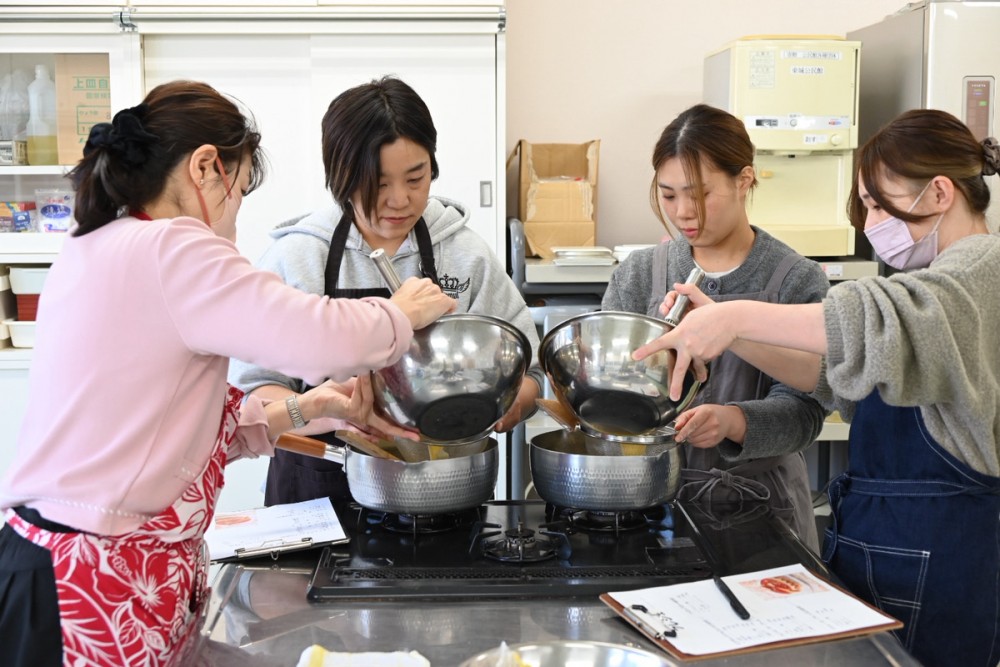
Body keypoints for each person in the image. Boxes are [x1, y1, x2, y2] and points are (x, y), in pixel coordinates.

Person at [0, 80, 455, 667]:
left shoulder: (102, 245)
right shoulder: (171, 248)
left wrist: (314, 406)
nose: (237, 209)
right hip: (90, 577)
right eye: (239, 189)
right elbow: (314, 336)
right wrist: (401, 312)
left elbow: (182, 431)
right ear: (205, 168)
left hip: (86, 565)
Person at [633, 108, 1000, 667]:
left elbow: (871, 316)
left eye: (877, 205)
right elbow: (833, 377)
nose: (871, 223)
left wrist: (733, 319)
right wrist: (731, 328)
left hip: (942, 553)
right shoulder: (937, 277)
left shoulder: (979, 267)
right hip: (887, 546)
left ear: (940, 192)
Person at [229, 75, 543, 506]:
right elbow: (251, 390)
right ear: (340, 178)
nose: (400, 200)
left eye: (416, 179)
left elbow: (530, 371)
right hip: (315, 488)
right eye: (378, 184)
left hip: (442, 490)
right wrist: (322, 410)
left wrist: (505, 405)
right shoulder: (298, 257)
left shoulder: (464, 254)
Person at [603, 104, 830, 551]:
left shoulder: (795, 280)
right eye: (669, 196)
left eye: (701, 194)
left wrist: (735, 421)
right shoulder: (640, 274)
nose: (684, 212)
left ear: (744, 180)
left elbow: (809, 410)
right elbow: (609, 388)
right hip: (648, 505)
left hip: (764, 510)